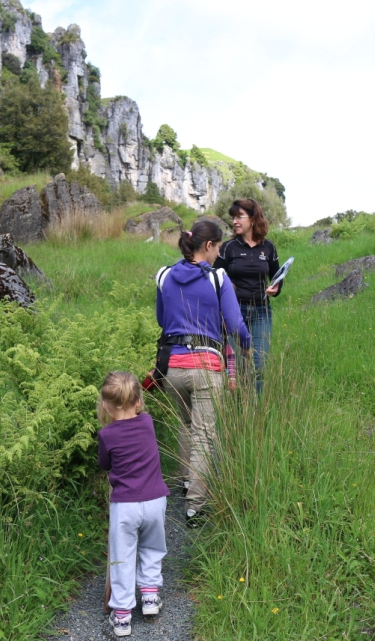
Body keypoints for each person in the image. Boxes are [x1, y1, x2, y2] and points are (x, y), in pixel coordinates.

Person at [156, 220, 251, 526]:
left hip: (171, 368)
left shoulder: (164, 275)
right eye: (219, 246)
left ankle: (186, 481)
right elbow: (236, 327)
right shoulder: (218, 278)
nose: (219, 252)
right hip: (206, 367)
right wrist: (247, 347)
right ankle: (195, 506)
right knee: (204, 433)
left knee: (185, 424)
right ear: (208, 245)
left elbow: (162, 319)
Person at [97, 371, 171, 638]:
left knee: (122, 557)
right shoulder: (148, 422)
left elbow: (105, 464)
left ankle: (122, 616)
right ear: (139, 402)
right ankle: (150, 598)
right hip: (155, 501)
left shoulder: (106, 434)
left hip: (125, 506)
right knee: (152, 547)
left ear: (105, 405)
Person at [213, 199, 283, 393]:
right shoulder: (228, 248)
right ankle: (238, 412)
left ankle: (255, 412)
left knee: (258, 366)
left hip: (261, 312)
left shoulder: (268, 248)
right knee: (238, 369)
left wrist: (275, 288)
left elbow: (277, 277)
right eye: (233, 217)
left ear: (253, 219)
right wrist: (228, 288)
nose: (235, 221)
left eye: (239, 217)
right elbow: (214, 278)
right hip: (235, 313)